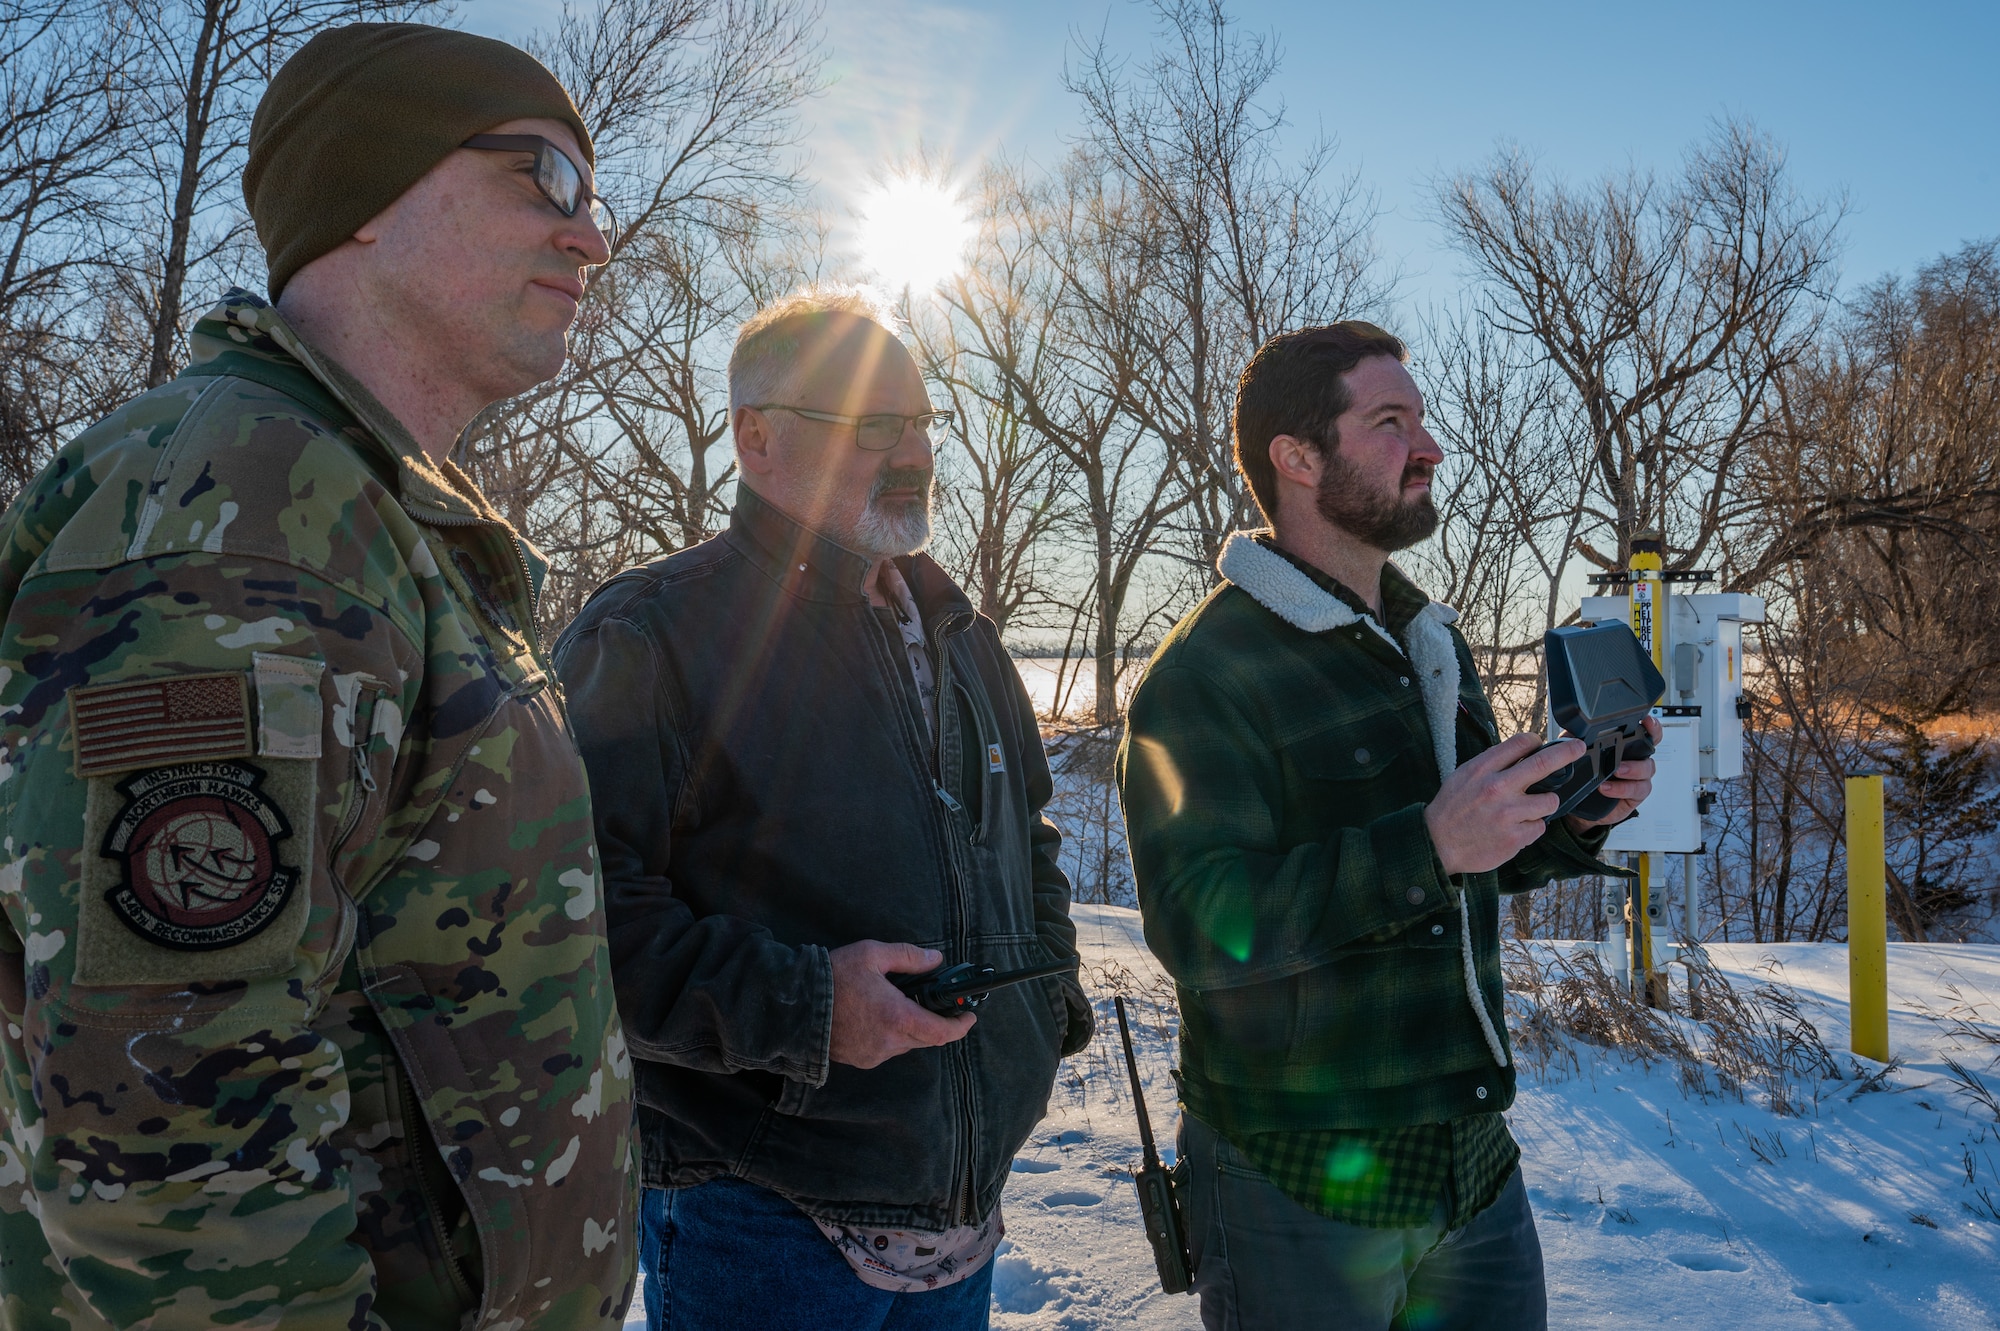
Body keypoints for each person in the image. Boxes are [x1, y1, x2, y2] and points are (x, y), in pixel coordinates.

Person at [0, 24, 636, 1330]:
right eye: (547, 180)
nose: (594, 234)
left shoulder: (366, 505)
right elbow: (168, 1137)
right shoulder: (257, 502)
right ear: (363, 198)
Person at [553, 286, 1093, 1331]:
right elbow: (572, 923)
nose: (911, 450)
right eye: (869, 423)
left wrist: (1043, 1002)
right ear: (757, 440)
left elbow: (1026, 836)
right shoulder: (651, 635)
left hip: (960, 1206)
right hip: (761, 1214)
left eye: (921, 422)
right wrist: (806, 1008)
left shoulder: (963, 632)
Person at [1116, 322, 1659, 1331]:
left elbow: (1461, 853)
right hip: (1298, 1188)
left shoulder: (1425, 636)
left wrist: (1572, 816)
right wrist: (1426, 844)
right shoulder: (1206, 671)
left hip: (1472, 1167)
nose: (1428, 446)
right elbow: (1197, 924)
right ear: (1295, 457)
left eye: (1419, 418)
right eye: (1388, 421)